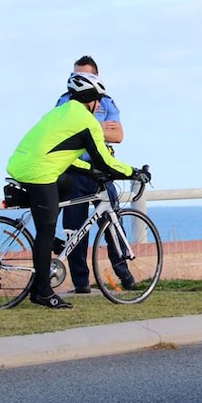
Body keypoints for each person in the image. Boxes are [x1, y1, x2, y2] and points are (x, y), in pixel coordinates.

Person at [6, 72, 149, 309]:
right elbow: (105, 161)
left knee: (68, 185)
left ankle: (54, 241)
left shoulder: (60, 113)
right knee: (45, 228)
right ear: (90, 98)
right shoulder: (86, 121)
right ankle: (42, 291)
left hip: (24, 165)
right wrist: (133, 172)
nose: (101, 104)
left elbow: (63, 154)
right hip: (39, 173)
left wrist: (89, 170)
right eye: (99, 99)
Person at [55, 55, 127, 294]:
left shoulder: (106, 102)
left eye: (86, 76)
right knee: (75, 229)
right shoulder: (64, 101)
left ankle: (123, 272)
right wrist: (98, 128)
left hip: (101, 171)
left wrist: (88, 130)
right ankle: (81, 283)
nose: (79, 80)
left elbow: (118, 135)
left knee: (113, 222)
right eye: (76, 76)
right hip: (75, 171)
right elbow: (63, 133)